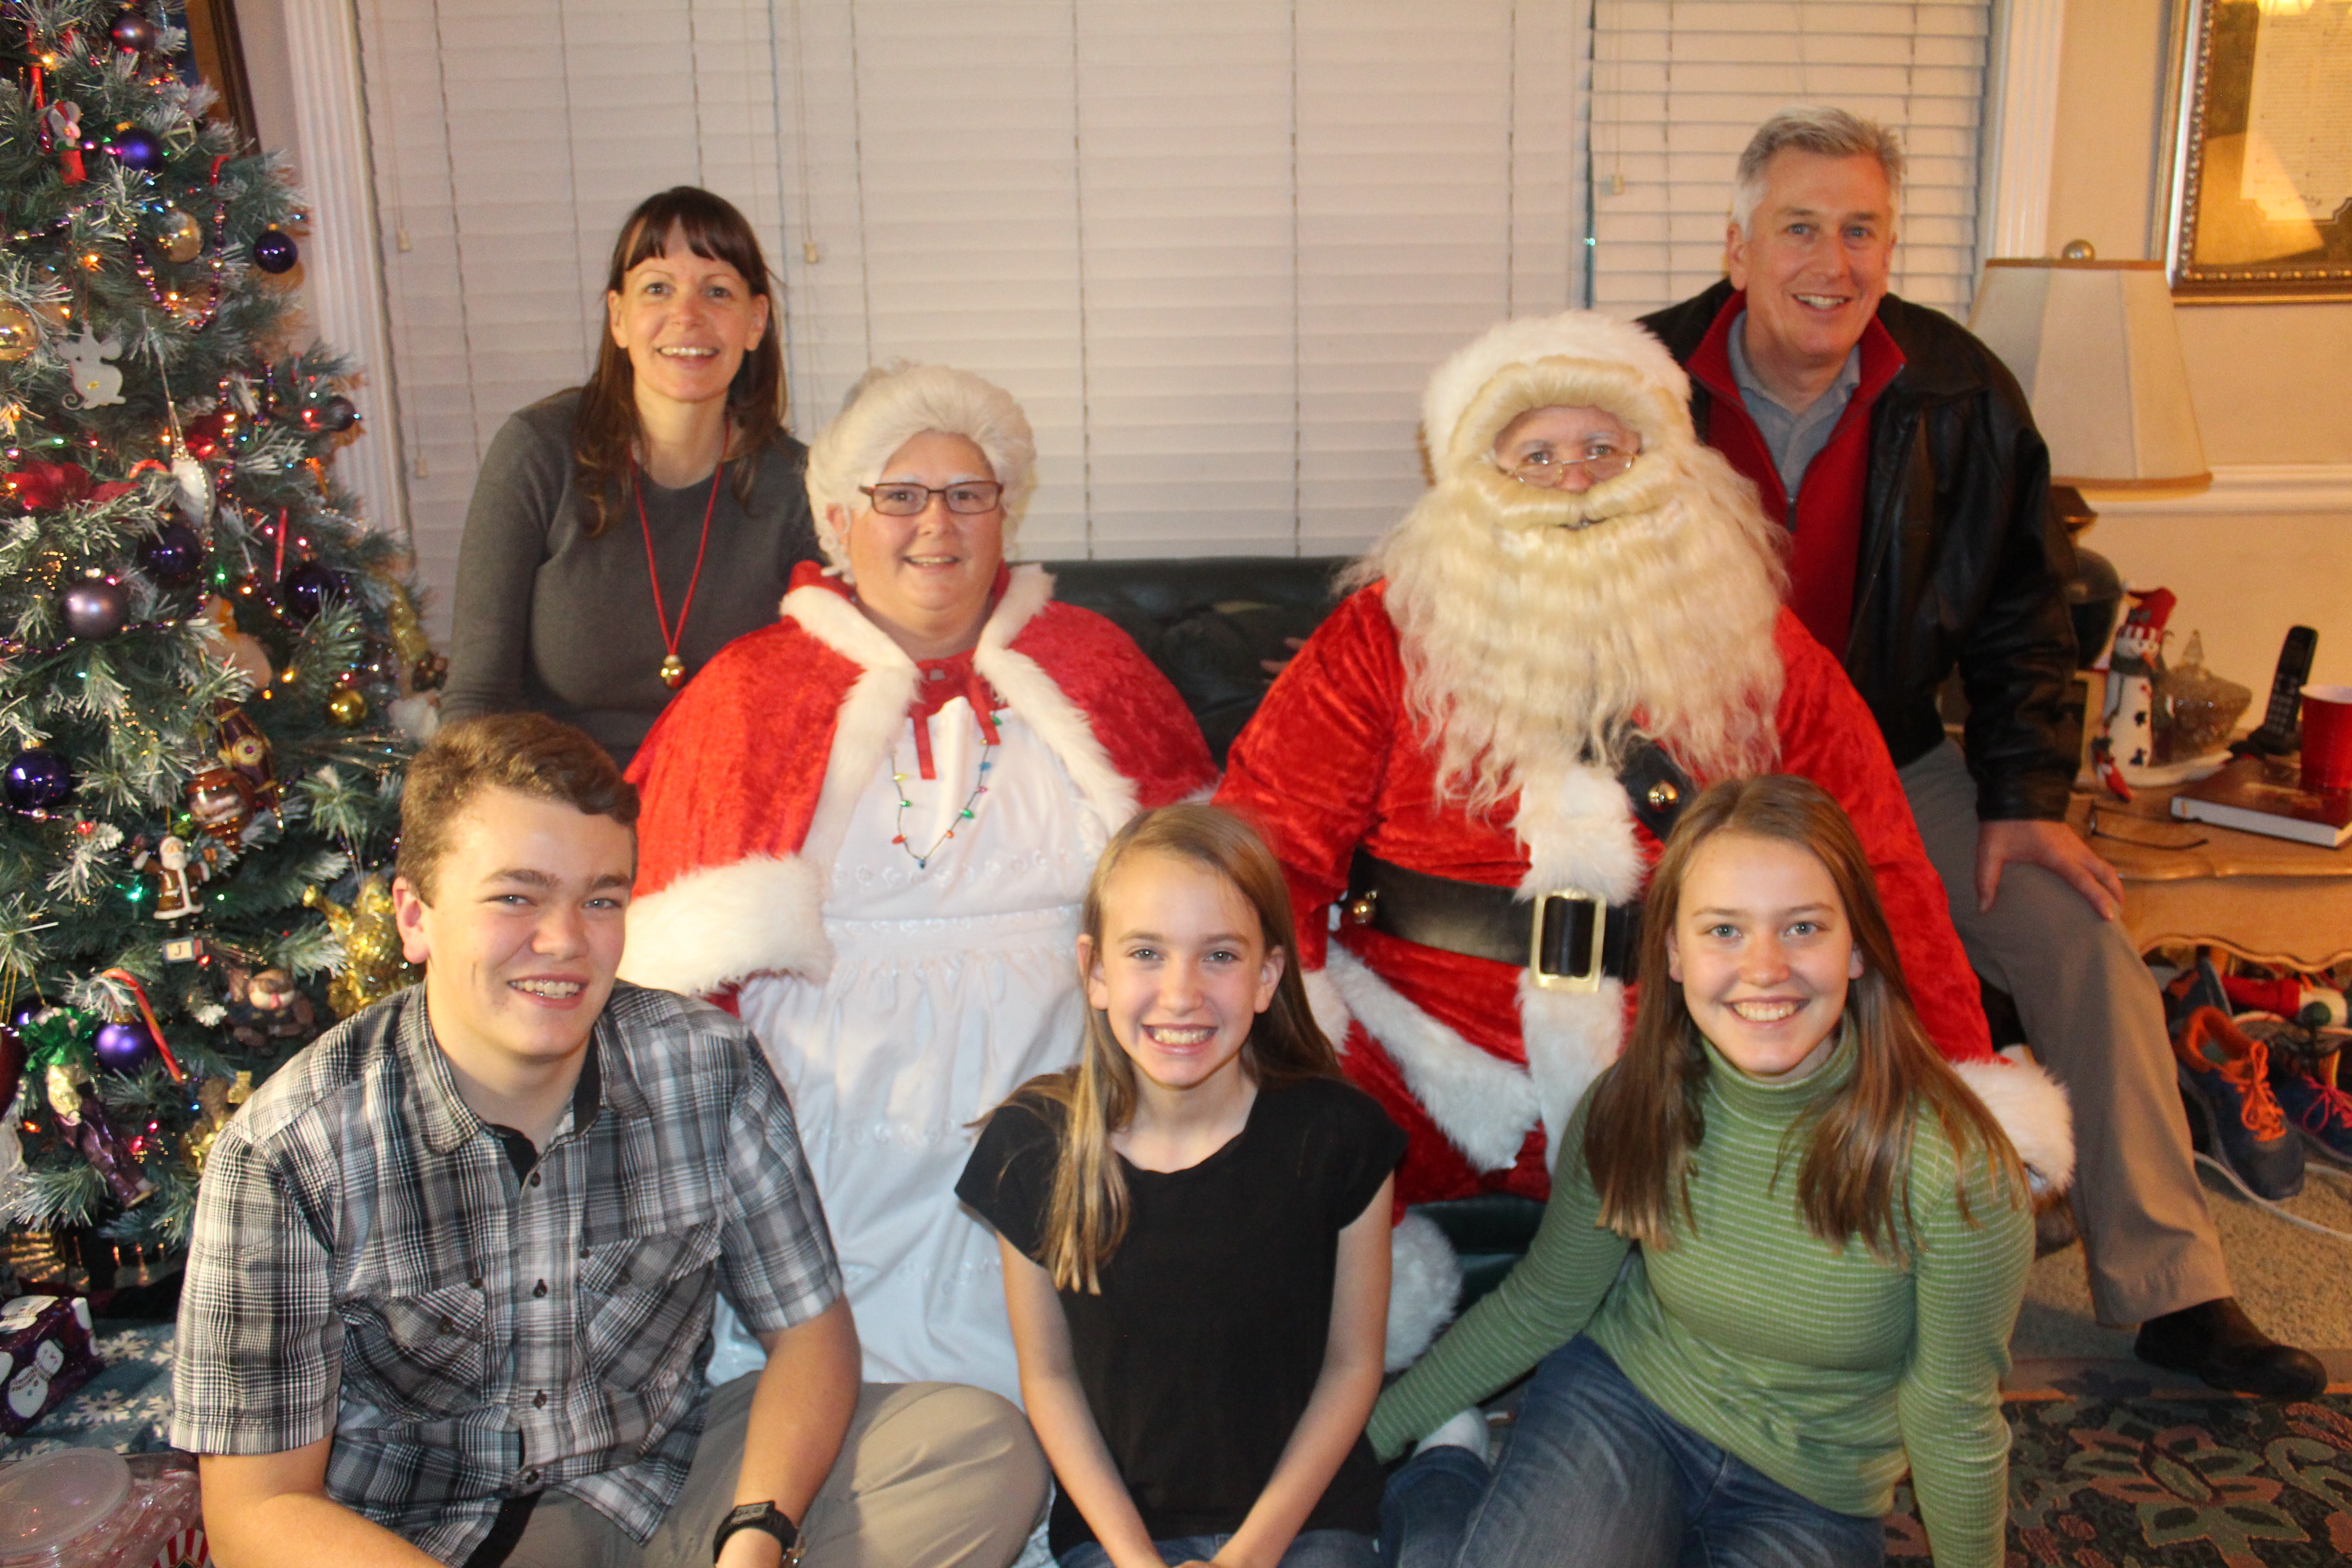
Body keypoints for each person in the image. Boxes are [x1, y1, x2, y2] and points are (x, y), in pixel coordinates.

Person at [1213, 308, 2069, 1361]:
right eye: (1534, 456)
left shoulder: (1761, 646)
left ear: (1661, 464)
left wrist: (1963, 1081)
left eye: (1602, 449)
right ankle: (1410, 1408)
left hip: (1692, 1066)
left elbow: (1878, 868)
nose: (1573, 481)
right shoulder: (1379, 636)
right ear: (1475, 481)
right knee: (1264, 1219)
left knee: (1822, 1284)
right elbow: (1265, 853)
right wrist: (1281, 1053)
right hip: (1416, 1056)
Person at [1637, 105, 2324, 1398]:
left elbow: (2024, 612)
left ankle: (2174, 1287)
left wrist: (2022, 799)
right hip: (1687, 782)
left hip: (1894, 763)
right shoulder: (1638, 386)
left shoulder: (1958, 390)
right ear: (1737, 248)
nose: (1831, 262)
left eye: (1861, 231)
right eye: (1799, 229)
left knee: (2079, 937)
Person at [171, 713, 1047, 1568]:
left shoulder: (708, 1065)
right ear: (414, 916)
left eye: (600, 899)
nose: (564, 942)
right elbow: (257, 1512)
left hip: (663, 1488)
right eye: (515, 897)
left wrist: (757, 1534)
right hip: (425, 1533)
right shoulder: (285, 1153)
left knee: (980, 1453)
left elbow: (811, 1339)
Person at [622, 364, 1217, 1404]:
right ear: (840, 521)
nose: (935, 525)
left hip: (1064, 1099)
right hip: (841, 1112)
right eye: (899, 495)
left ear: (1004, 513)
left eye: (966, 495)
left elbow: (1213, 903)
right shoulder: (751, 691)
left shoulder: (1095, 664)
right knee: (840, 1383)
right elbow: (670, 981)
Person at [1374, 775, 2033, 1568]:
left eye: (1802, 928)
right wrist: (1368, 1440)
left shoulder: (1958, 1169)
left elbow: (1953, 1413)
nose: (1764, 968)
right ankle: (1444, 1470)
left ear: (1856, 948)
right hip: (1626, 1405)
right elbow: (1543, 1302)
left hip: (1813, 1490)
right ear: (1674, 955)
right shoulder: (1631, 1104)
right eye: (1724, 930)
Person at [959, 804, 1407, 1568]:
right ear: (1095, 971)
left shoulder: (1339, 1137)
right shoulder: (1032, 1147)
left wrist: (1250, 1554)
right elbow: (1050, 1377)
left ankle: (1445, 1477)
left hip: (1304, 1523)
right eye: (1146, 952)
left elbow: (1351, 1365)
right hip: (1119, 1537)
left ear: (1267, 976)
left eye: (1219, 956)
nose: (1180, 993)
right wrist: (1137, 1560)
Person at [442, 187, 821, 770]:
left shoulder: (800, 487)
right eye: (658, 288)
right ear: (619, 318)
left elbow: (817, 704)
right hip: (559, 803)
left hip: (729, 803)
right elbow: (477, 702)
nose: (688, 315)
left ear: (755, 322)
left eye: (717, 291)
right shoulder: (538, 453)